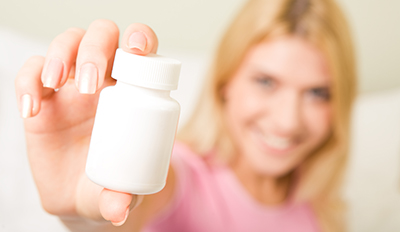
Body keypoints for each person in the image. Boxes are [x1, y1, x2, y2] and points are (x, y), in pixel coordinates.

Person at [14, 0, 356, 231]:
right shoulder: (177, 175)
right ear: (226, 83)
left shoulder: (318, 205)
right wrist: (85, 208)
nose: (288, 121)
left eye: (317, 93)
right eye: (265, 81)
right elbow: (128, 210)